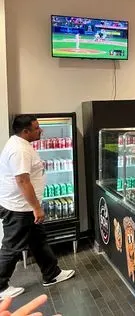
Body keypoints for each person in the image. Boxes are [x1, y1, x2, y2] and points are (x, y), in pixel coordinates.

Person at [0, 116, 75, 300]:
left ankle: (52, 273)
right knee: (12, 247)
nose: (40, 130)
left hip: (24, 206)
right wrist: (36, 208)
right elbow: (22, 180)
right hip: (19, 208)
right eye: (36, 128)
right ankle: (0, 286)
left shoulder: (21, 144)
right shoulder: (19, 150)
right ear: (25, 131)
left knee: (38, 241)